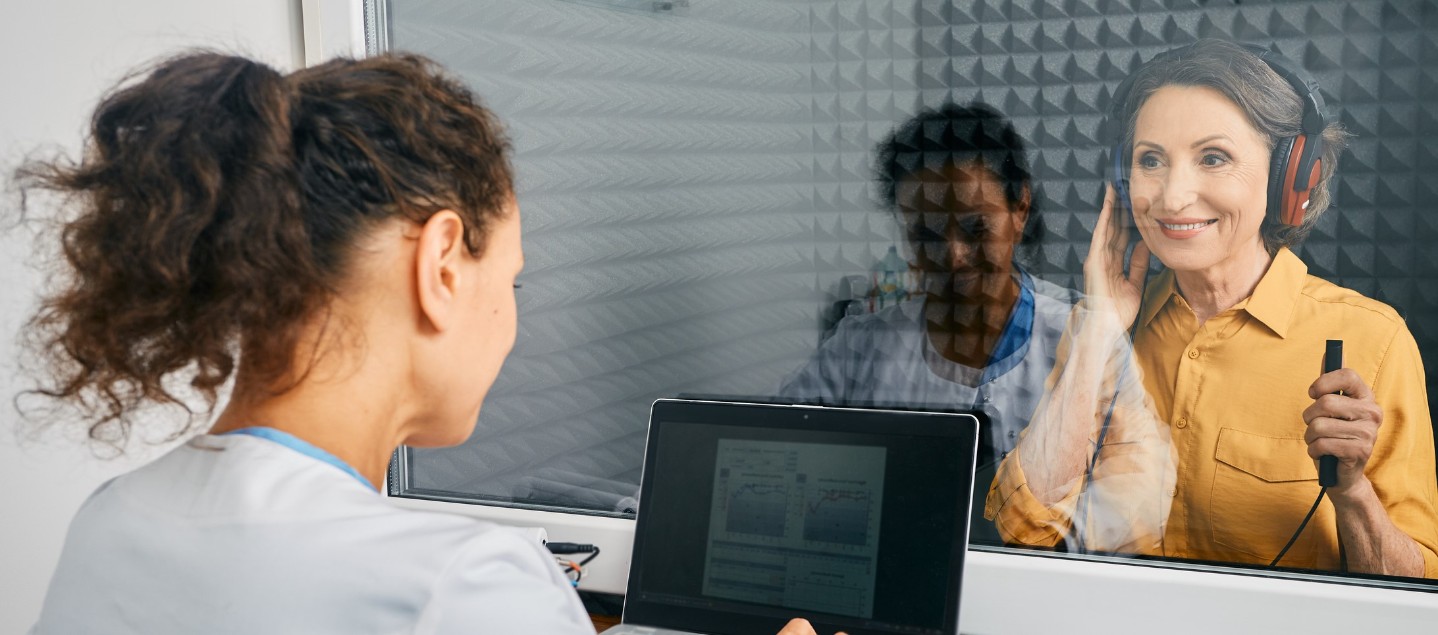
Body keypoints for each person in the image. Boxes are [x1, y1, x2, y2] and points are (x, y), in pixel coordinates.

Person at [17, 52, 840, 634]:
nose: (512, 321)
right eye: (510, 281)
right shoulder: (461, 583)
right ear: (442, 263)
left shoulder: (113, 519)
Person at [987, 39, 1438, 577]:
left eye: (1213, 157)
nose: (1173, 197)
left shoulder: (1373, 341)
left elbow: (1419, 593)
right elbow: (1022, 530)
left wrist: (1354, 494)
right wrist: (1098, 334)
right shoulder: (1102, 334)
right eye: (1150, 159)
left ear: (1291, 177)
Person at [778, 103, 1078, 541]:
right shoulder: (859, 348)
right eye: (925, 235)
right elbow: (777, 449)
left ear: (1020, 209)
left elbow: (1129, 512)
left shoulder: (1086, 342)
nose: (952, 257)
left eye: (975, 229)